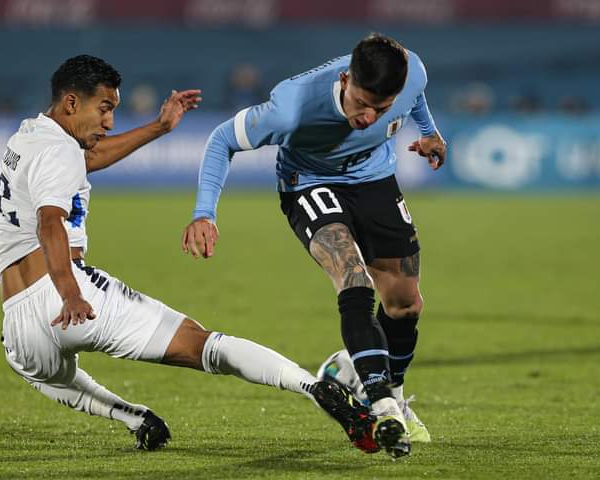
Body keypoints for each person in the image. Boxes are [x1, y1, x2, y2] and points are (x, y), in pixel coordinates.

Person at [0, 54, 377, 453]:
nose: (109, 123)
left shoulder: (28, 138)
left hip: (18, 323)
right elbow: (50, 223)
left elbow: (87, 158)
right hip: (64, 294)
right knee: (202, 345)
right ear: (72, 103)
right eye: (104, 109)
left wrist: (159, 127)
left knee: (49, 377)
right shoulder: (60, 154)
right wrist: (70, 292)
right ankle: (312, 387)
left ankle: (133, 417)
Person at [182, 34, 447, 458]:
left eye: (380, 109)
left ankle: (383, 387)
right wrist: (204, 212)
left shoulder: (411, 70)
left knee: (405, 304)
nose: (367, 116)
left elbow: (413, 97)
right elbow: (221, 140)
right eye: (360, 103)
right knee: (353, 276)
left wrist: (430, 133)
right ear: (345, 79)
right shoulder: (292, 108)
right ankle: (381, 403)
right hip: (310, 183)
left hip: (375, 179)